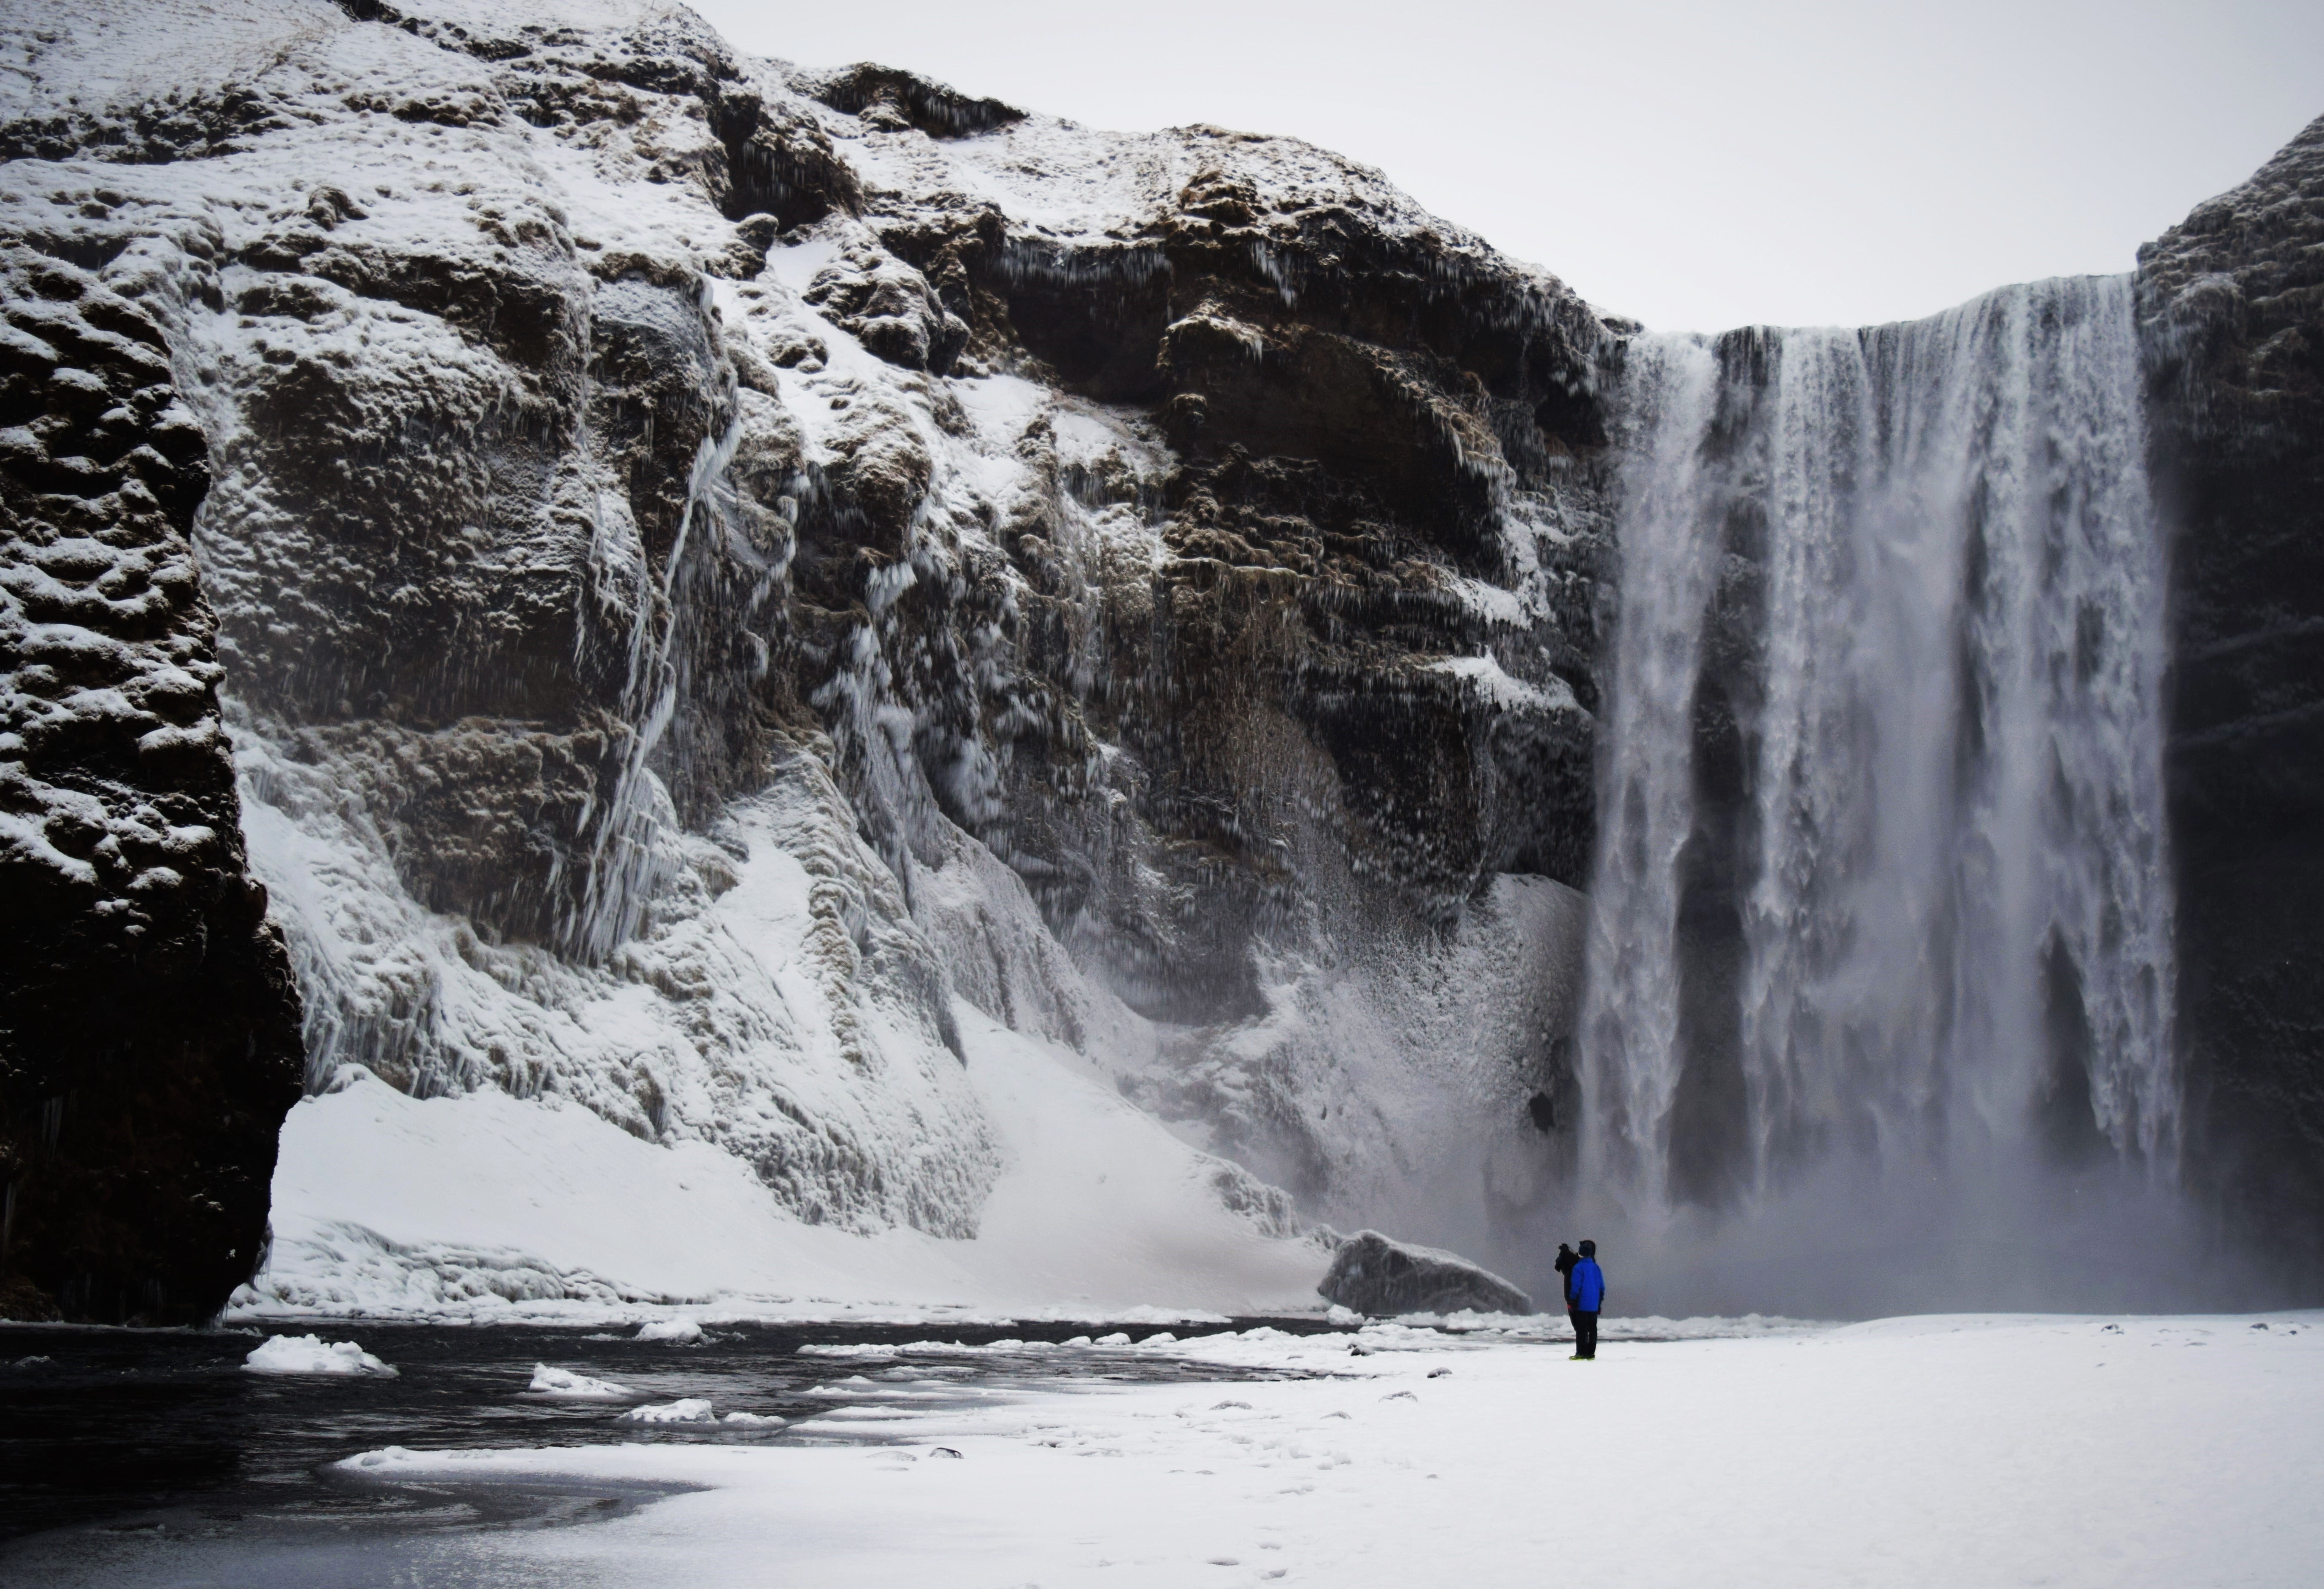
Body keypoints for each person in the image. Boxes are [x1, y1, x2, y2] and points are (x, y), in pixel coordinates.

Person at [1566, 1239, 1604, 1360]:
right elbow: (1602, 1287)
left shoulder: (1578, 1268)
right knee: (1593, 1329)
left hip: (1582, 1304)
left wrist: (1572, 1300)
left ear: (1580, 1254)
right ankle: (1591, 1353)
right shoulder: (1596, 1268)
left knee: (1582, 1330)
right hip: (1594, 1305)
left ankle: (1581, 1353)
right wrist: (1599, 1301)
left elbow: (1576, 1286)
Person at [1554, 1242, 1581, 1344]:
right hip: (1573, 1299)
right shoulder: (1577, 1266)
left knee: (1576, 1321)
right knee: (1578, 1321)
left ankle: (1582, 1343)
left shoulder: (1574, 1268)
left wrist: (1565, 1252)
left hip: (1572, 1299)